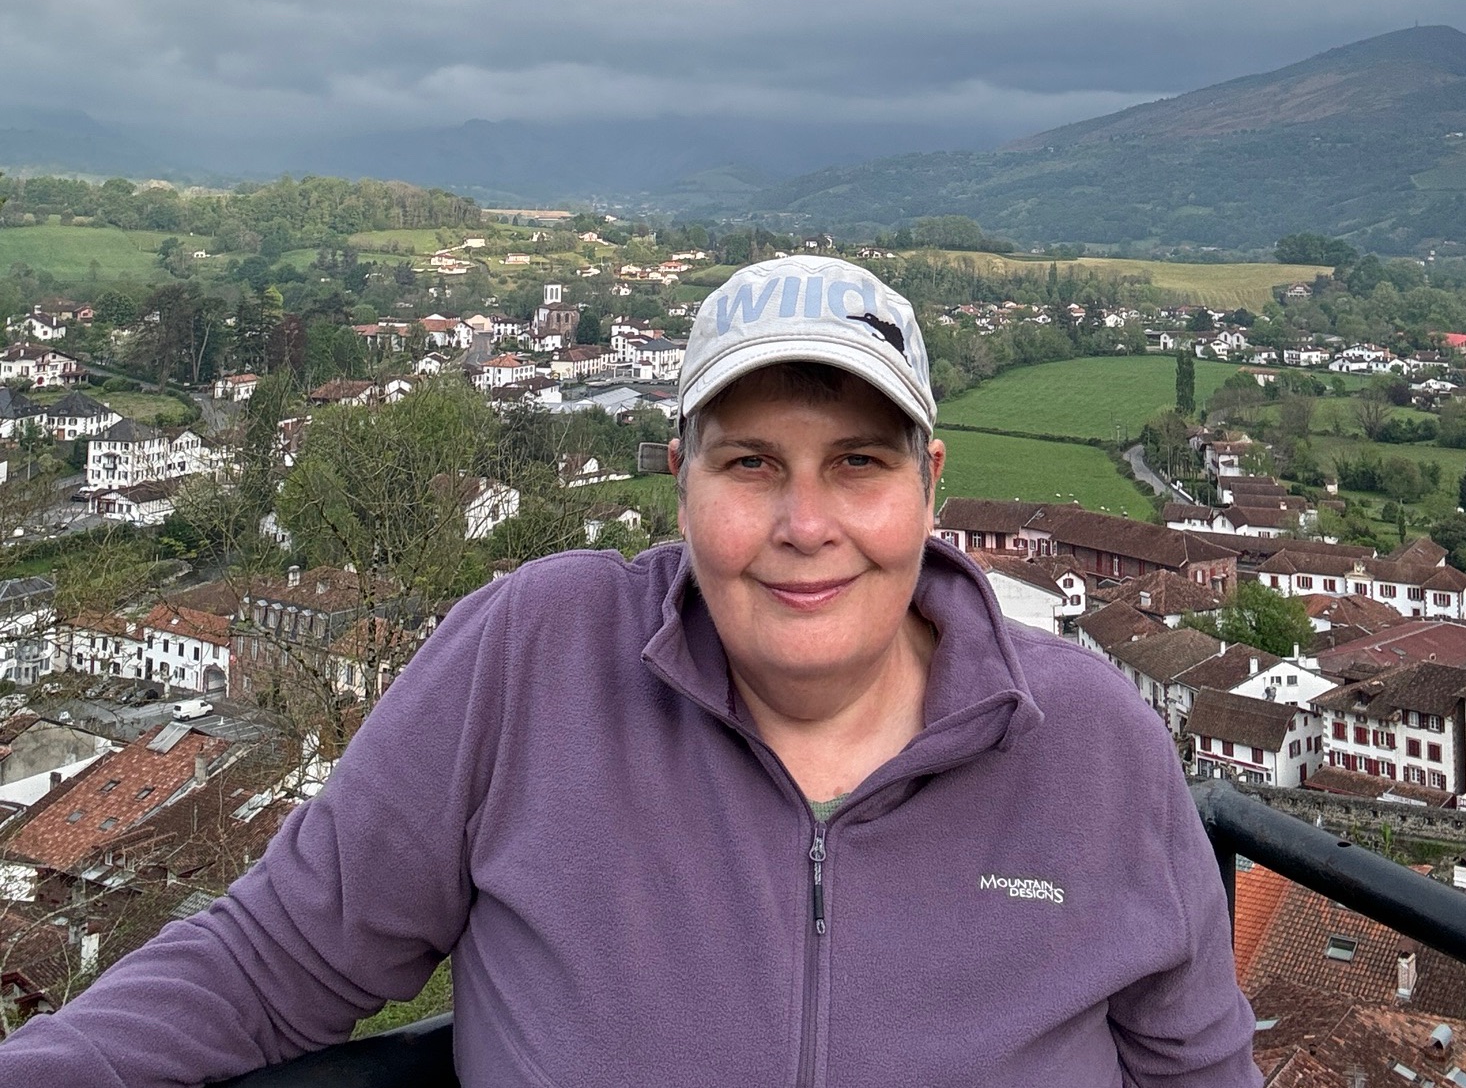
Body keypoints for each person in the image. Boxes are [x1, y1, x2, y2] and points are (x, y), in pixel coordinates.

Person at [0, 256, 1260, 1087]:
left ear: (929, 485)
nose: (804, 523)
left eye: (858, 463)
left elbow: (1197, 1072)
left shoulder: (1091, 744)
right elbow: (276, 960)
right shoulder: (533, 658)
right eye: (750, 462)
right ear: (679, 479)